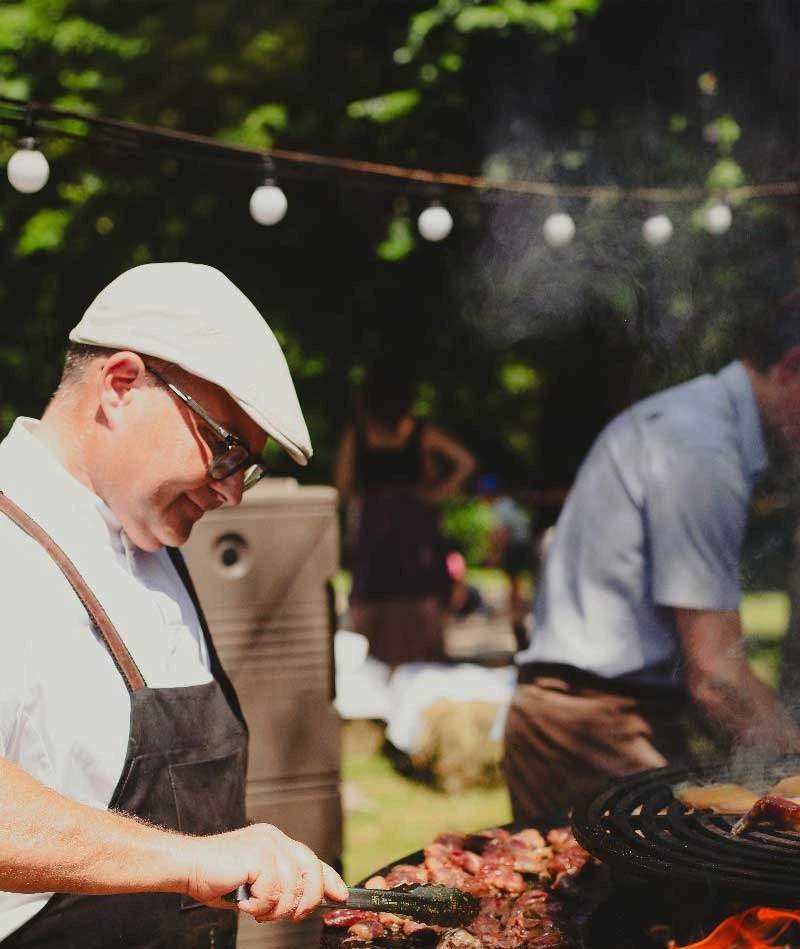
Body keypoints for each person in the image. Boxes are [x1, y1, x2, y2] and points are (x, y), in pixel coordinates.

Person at [0, 262, 348, 947]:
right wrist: (190, 858)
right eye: (225, 448)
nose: (231, 493)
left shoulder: (156, 550)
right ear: (122, 386)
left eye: (246, 465)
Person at [503, 289, 800, 822]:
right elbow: (716, 676)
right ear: (792, 366)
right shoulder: (701, 448)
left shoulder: (700, 426)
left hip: (603, 715)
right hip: (587, 726)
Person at [335, 365, 476, 668]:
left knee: (369, 607)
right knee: (423, 603)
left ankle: (369, 677)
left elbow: (344, 486)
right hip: (415, 525)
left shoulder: (358, 433)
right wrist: (437, 492)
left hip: (375, 528)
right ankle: (428, 674)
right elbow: (465, 462)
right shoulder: (420, 431)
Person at [476, 473, 533, 650]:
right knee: (514, 581)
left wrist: (494, 554)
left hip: (517, 547)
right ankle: (516, 609)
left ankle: (517, 612)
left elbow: (502, 533)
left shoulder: (501, 507)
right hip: (519, 545)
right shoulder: (505, 504)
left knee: (514, 581)